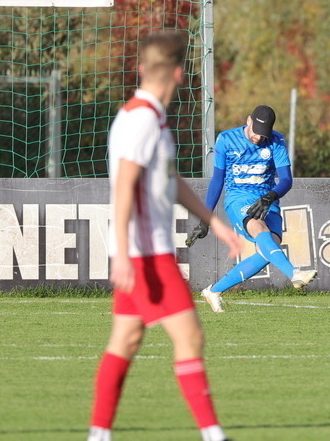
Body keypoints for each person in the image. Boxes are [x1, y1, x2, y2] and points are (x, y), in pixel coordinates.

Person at [88, 31, 243, 441]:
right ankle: (213, 434)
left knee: (126, 338)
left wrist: (215, 221)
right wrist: (122, 253)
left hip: (140, 252)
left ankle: (98, 435)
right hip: (147, 255)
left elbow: (169, 182)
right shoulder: (142, 119)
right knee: (189, 336)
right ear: (178, 73)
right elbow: (124, 187)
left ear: (142, 69)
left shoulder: (144, 114)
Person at [188, 105, 317, 313]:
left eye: (263, 134)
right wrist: (205, 219)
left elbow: (286, 180)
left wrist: (271, 196)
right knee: (260, 231)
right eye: (256, 131)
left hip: (267, 200)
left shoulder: (277, 141)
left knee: (268, 250)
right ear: (249, 121)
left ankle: (214, 291)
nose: (258, 138)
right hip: (238, 199)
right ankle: (294, 273)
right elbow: (217, 182)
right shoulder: (226, 140)